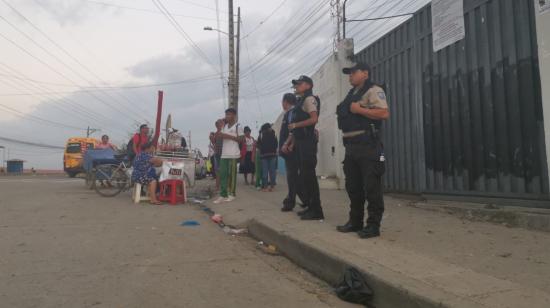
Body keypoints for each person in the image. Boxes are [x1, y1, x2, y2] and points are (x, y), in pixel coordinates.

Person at [336, 63, 390, 239]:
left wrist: (359, 109)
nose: (350, 76)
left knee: (372, 187)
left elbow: (383, 113)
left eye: (353, 72)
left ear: (365, 73)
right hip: (351, 147)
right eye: (349, 73)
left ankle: (373, 225)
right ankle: (355, 221)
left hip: (368, 146)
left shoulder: (373, 90)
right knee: (353, 187)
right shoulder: (351, 94)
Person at [283, 75, 324, 220]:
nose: (296, 87)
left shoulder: (309, 99)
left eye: (299, 84)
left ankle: (317, 210)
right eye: (295, 85)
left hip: (308, 142)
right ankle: (311, 207)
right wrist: (292, 142)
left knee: (309, 177)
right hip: (301, 141)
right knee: (305, 177)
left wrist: (295, 125)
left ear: (308, 85)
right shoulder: (301, 101)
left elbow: (314, 119)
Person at [279, 93, 307, 212]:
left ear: (286, 101)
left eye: (282, 101)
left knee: (292, 177)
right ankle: (306, 199)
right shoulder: (289, 113)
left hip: (292, 150)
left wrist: (288, 144)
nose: (282, 104)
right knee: (295, 177)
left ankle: (290, 202)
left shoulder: (292, 113)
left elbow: (293, 131)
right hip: (291, 150)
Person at [213, 108, 242, 204]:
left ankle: (232, 194)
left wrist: (227, 136)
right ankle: (223, 194)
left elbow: (241, 140)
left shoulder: (238, 126)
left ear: (234, 116)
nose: (226, 117)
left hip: (233, 153)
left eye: (228, 115)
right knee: (223, 174)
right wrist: (219, 128)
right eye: (226, 115)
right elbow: (216, 137)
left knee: (232, 175)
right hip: (224, 154)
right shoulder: (224, 126)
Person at [257, 123, 278, 192]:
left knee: (265, 172)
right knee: (272, 171)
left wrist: (262, 149)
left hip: (264, 156)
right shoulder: (274, 133)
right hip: (272, 155)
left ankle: (265, 187)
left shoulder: (261, 134)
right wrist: (274, 150)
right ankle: (272, 186)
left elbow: (258, 144)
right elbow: (276, 143)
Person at [209, 119, 224, 190]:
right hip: (217, 153)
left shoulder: (224, 133)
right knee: (217, 170)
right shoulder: (216, 134)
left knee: (222, 170)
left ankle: (220, 185)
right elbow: (214, 143)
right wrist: (211, 139)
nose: (218, 125)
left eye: (219, 124)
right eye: (217, 124)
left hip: (224, 153)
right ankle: (217, 185)